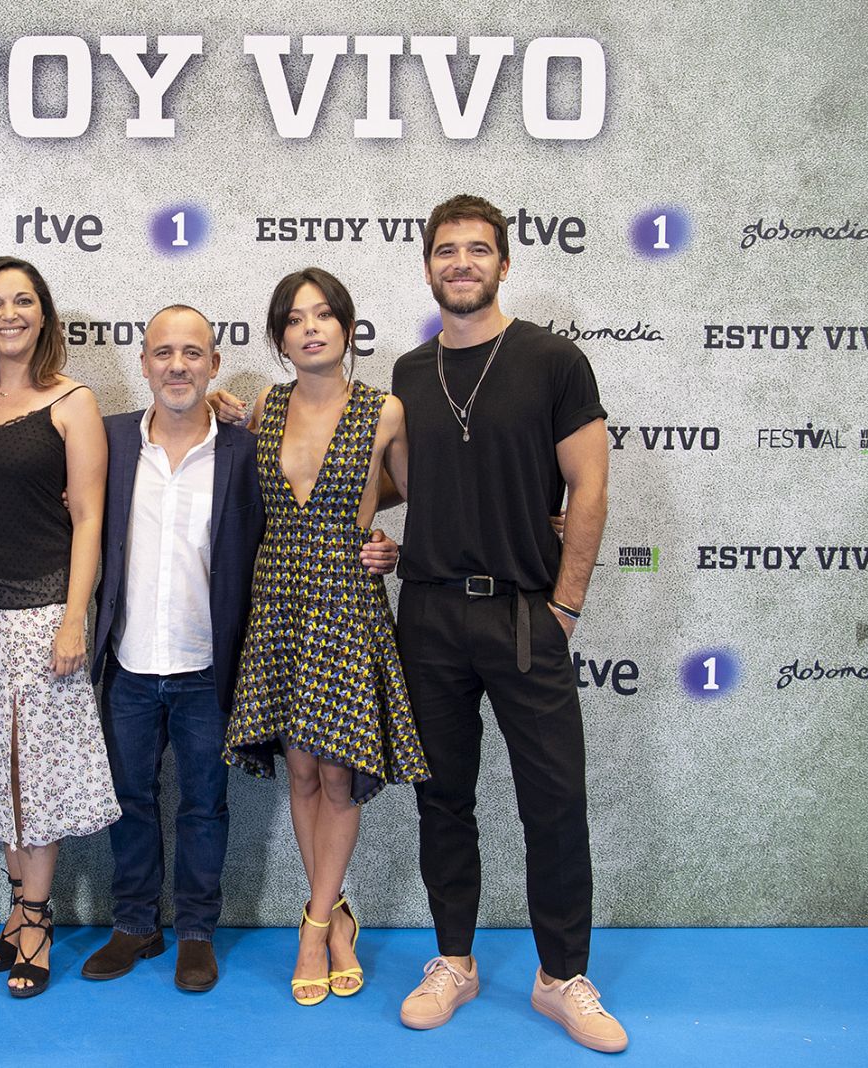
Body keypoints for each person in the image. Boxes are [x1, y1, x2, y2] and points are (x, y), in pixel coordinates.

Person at [389, 195, 625, 1052]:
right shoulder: (409, 374)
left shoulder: (554, 361)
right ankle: (454, 961)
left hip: (527, 612)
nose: (461, 263)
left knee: (554, 802)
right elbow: (395, 483)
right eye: (446, 250)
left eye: (477, 249)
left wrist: (565, 604)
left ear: (503, 263)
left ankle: (561, 977)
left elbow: (590, 491)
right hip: (429, 615)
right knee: (441, 798)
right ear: (426, 266)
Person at [222, 267, 429, 1007]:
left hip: (345, 598)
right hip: (278, 598)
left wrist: (390, 546)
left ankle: (313, 927)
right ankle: (337, 914)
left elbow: (414, 496)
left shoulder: (385, 411)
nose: (310, 327)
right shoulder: (263, 412)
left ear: (347, 327)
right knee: (302, 771)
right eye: (294, 318)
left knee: (338, 774)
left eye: (323, 315)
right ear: (279, 337)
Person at [0, 255, 118, 999]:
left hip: (44, 611)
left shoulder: (73, 403)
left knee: (36, 775)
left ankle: (36, 920)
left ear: (44, 316)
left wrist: (75, 616)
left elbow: (89, 517)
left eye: (24, 301)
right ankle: (16, 911)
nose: (10, 313)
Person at [76, 304, 264, 993]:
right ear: (144, 362)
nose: (177, 365)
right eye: (163, 353)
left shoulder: (245, 451)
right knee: (128, 797)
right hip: (127, 662)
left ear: (214, 364)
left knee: (204, 804)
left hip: (208, 669)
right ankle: (134, 924)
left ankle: (195, 931)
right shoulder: (111, 440)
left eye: (193, 353)